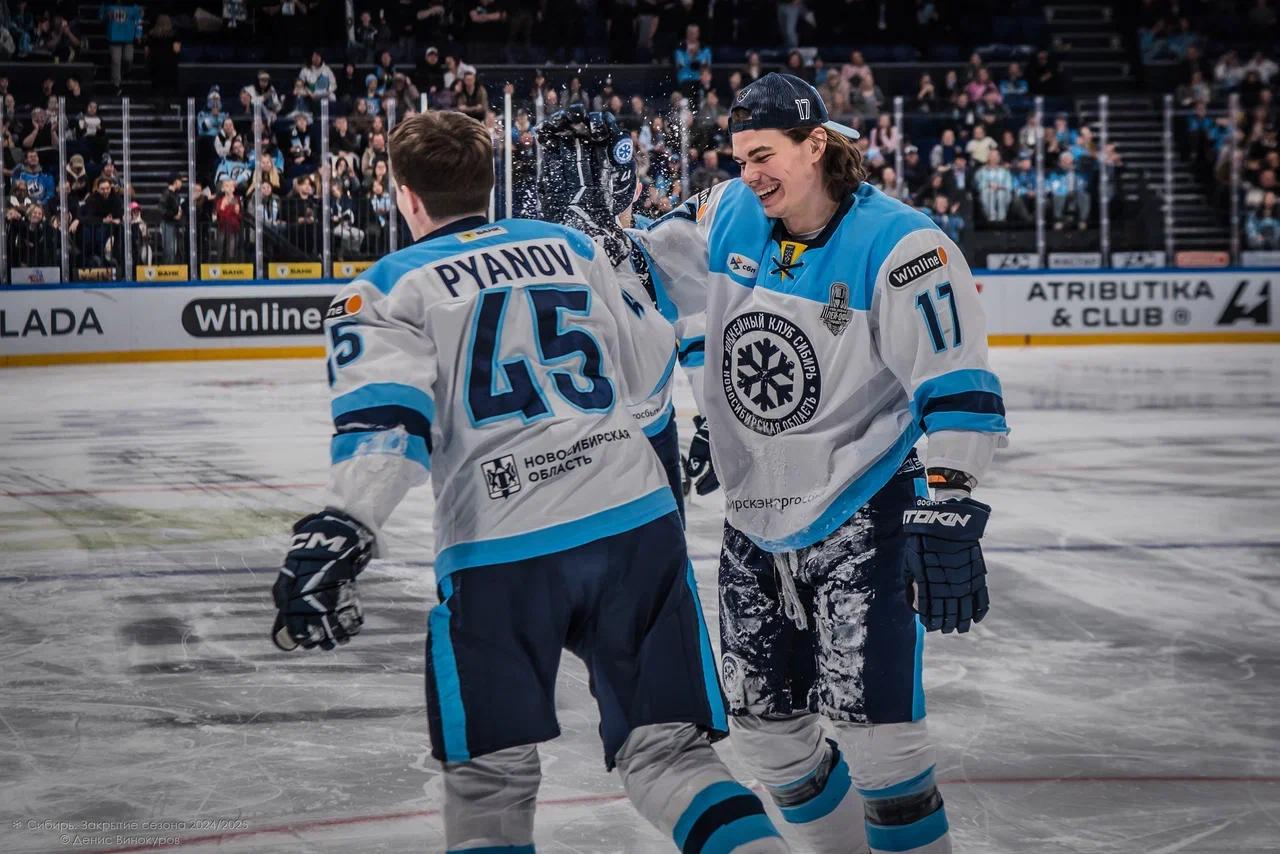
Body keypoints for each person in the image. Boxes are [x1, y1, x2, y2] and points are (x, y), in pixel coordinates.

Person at [268, 109, 789, 854]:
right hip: (633, 522)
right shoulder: (571, 247)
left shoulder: (386, 289)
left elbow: (387, 429)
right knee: (671, 758)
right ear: (489, 182)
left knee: (490, 784)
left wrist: (343, 528)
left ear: (404, 195)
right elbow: (645, 373)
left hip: (502, 546)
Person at [540, 73, 1009, 854]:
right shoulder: (729, 211)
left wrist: (951, 495)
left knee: (882, 747)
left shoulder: (903, 247)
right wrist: (592, 228)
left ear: (816, 145)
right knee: (769, 737)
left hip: (863, 510)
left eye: (764, 155)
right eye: (740, 157)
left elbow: (957, 383)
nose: (749, 173)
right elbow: (647, 276)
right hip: (755, 520)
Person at [100, 3, 142, 92]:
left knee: (128, 58)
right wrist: (106, 16)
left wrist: (138, 34)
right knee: (116, 60)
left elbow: (138, 20)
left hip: (129, 38)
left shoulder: (133, 6)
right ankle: (116, 84)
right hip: (114, 37)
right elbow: (101, 17)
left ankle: (124, 72)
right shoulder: (107, 4)